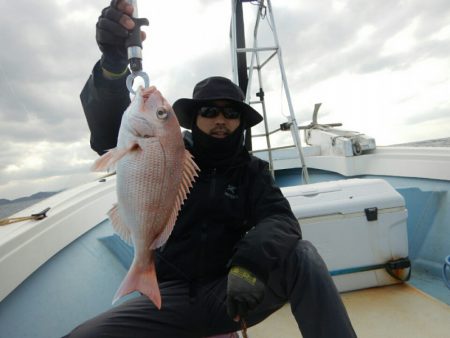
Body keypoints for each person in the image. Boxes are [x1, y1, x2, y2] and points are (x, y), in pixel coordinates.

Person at [65, 1, 356, 337]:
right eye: (210, 111)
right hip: (167, 296)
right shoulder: (169, 153)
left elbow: (281, 220)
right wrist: (113, 66)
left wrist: (248, 266)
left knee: (303, 256)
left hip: (229, 293)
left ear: (240, 123)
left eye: (231, 114)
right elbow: (105, 134)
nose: (220, 120)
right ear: (195, 118)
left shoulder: (253, 171)